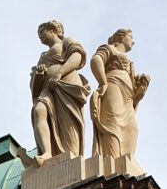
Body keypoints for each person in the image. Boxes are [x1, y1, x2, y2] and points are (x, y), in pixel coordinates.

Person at [26, 20, 91, 165]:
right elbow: (35, 88)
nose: (40, 37)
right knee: (38, 111)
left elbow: (77, 57)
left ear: (52, 30)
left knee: (68, 122)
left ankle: (72, 156)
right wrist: (39, 74)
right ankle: (47, 152)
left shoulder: (66, 42)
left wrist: (59, 73)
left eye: (41, 33)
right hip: (47, 90)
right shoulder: (43, 55)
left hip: (66, 85)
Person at [90, 29, 149, 159]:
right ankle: (113, 158)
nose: (133, 41)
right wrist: (102, 82)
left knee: (133, 128)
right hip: (113, 86)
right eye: (130, 37)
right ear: (121, 37)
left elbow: (135, 95)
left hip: (128, 97)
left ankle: (128, 160)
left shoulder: (130, 63)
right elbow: (96, 60)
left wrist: (141, 87)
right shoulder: (109, 49)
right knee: (113, 123)